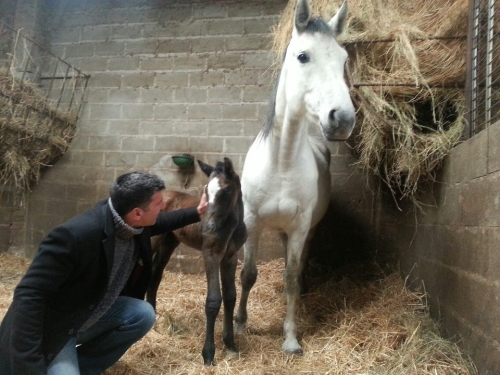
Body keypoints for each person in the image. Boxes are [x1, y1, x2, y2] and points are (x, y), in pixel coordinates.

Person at [0, 171, 208, 375]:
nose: (163, 207)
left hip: (89, 314)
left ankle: (85, 366)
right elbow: (28, 297)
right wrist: (28, 364)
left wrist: (198, 211)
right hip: (55, 329)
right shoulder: (73, 236)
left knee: (142, 313)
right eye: (159, 203)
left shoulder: (131, 223)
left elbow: (163, 222)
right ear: (137, 213)